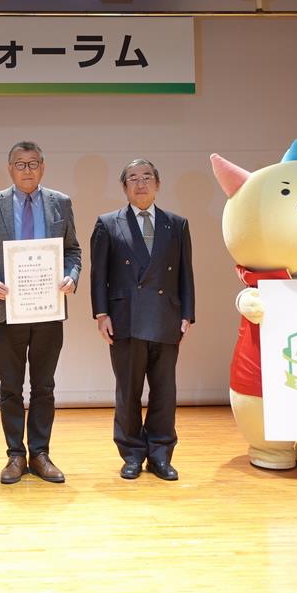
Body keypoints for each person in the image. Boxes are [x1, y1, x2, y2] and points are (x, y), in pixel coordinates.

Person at [0, 141, 81, 484]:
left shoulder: (60, 202)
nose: (27, 170)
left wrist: (71, 275)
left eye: (33, 163)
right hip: (7, 311)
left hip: (48, 309)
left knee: (44, 386)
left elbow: (73, 251)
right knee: (10, 387)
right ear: (10, 169)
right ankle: (15, 456)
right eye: (20, 164)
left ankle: (40, 453)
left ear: (43, 167)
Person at [90, 158, 195, 481]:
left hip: (166, 316)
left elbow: (185, 273)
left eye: (147, 177)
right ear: (124, 187)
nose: (140, 183)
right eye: (133, 178)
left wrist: (187, 313)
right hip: (125, 318)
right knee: (128, 391)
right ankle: (132, 454)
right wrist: (101, 313)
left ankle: (161, 455)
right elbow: (99, 275)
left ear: (158, 184)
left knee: (164, 391)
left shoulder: (176, 224)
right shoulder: (108, 223)